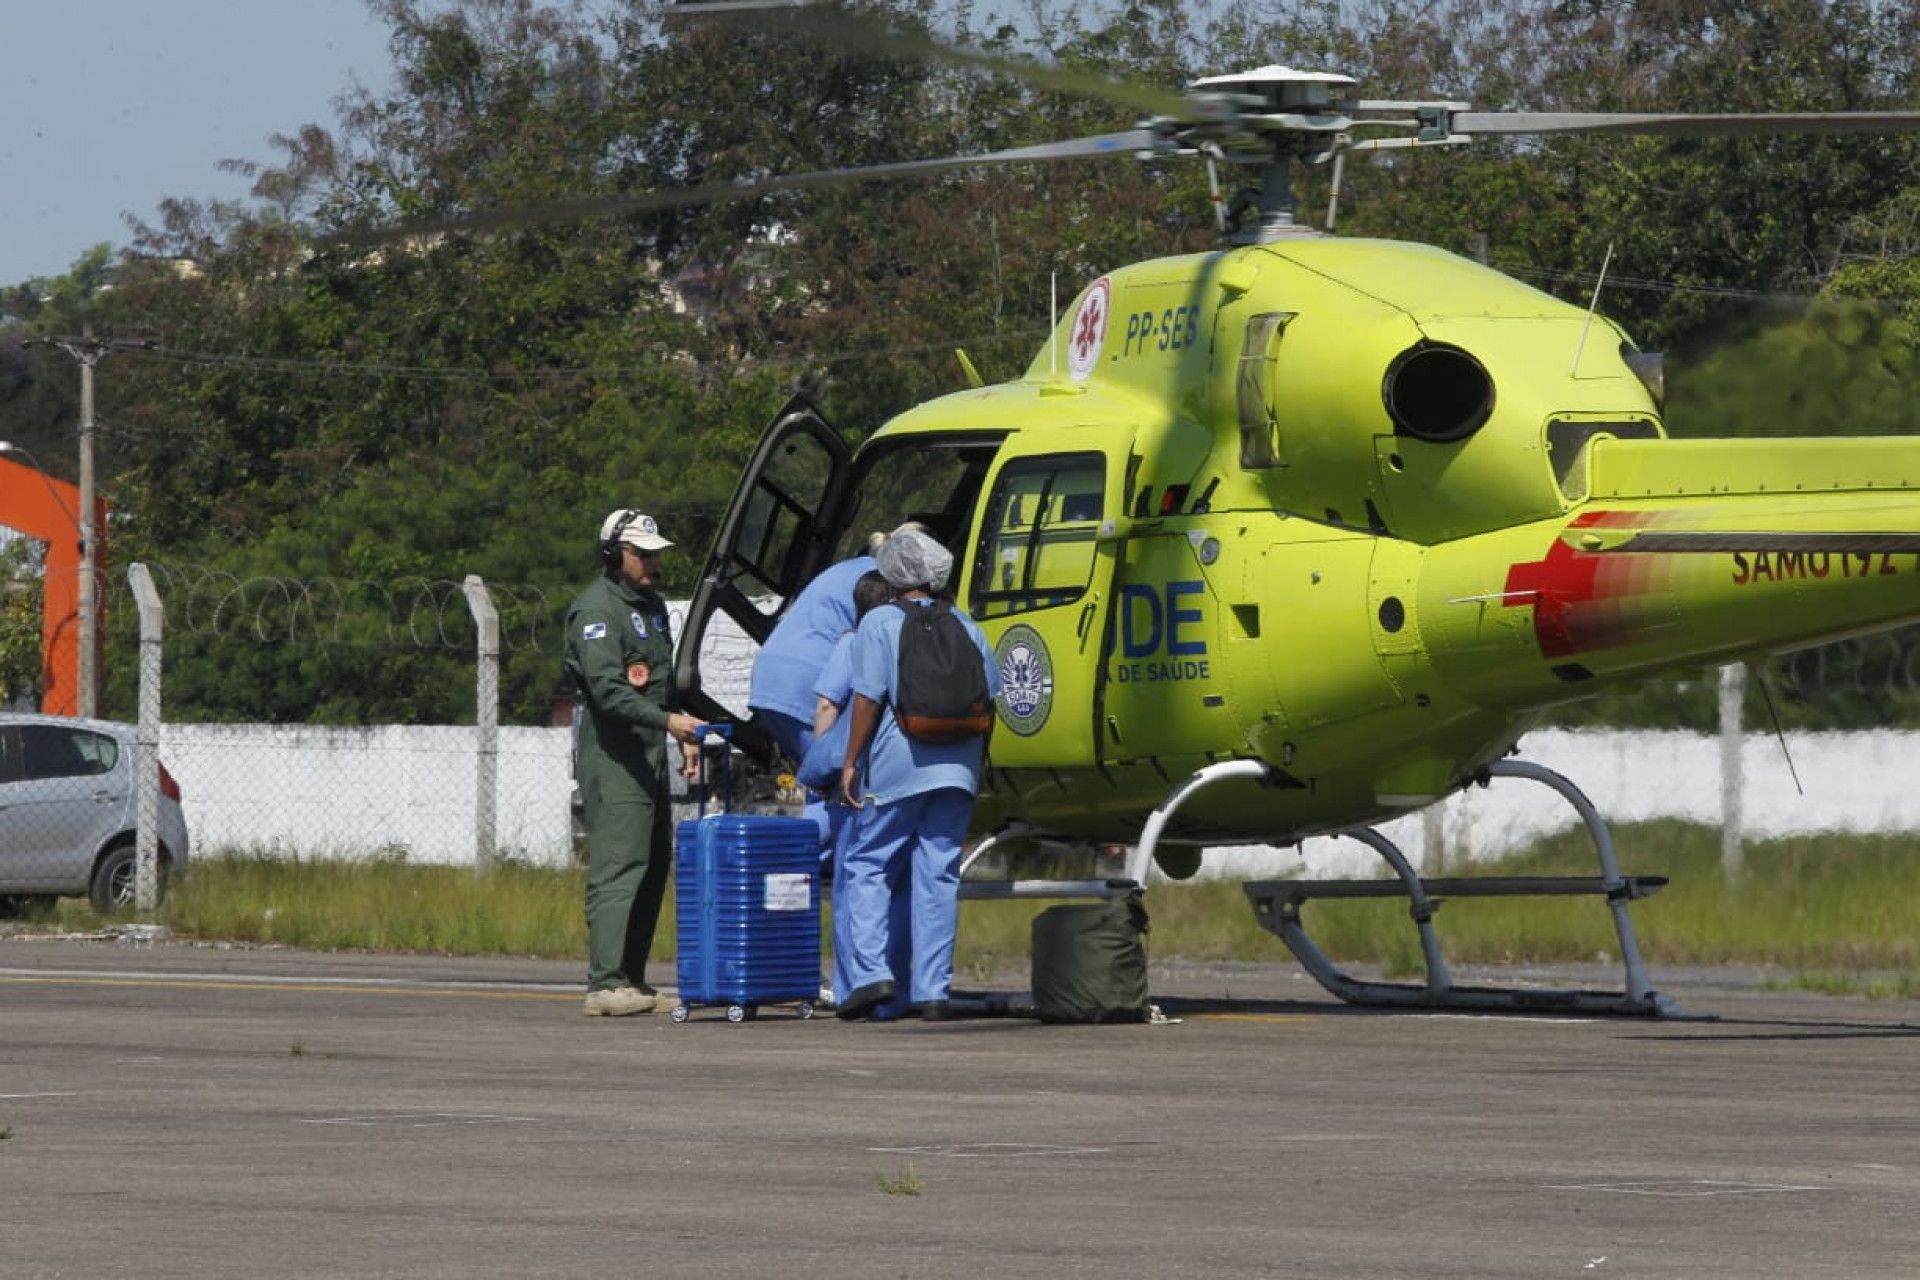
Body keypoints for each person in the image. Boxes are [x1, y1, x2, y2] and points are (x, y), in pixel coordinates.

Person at [835, 528, 1000, 1022]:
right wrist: (974, 765)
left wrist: (851, 762)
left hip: (898, 762)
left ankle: (870, 976)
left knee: (867, 863)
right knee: (939, 872)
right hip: (959, 764)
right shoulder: (968, 625)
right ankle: (933, 991)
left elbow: (868, 697)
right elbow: (991, 699)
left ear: (892, 574)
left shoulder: (879, 623)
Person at [563, 508, 706, 1017]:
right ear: (612, 554)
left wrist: (680, 729)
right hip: (613, 755)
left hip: (647, 753)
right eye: (642, 554)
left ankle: (633, 979)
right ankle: (604, 983)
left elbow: (660, 684)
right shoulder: (597, 612)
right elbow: (608, 692)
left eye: (655, 554)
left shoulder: (651, 607)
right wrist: (668, 723)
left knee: (651, 861)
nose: (652, 563)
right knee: (619, 863)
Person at [746, 525, 921, 764]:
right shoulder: (884, 580)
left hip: (770, 676)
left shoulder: (847, 566)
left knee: (814, 772)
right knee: (832, 776)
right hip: (809, 683)